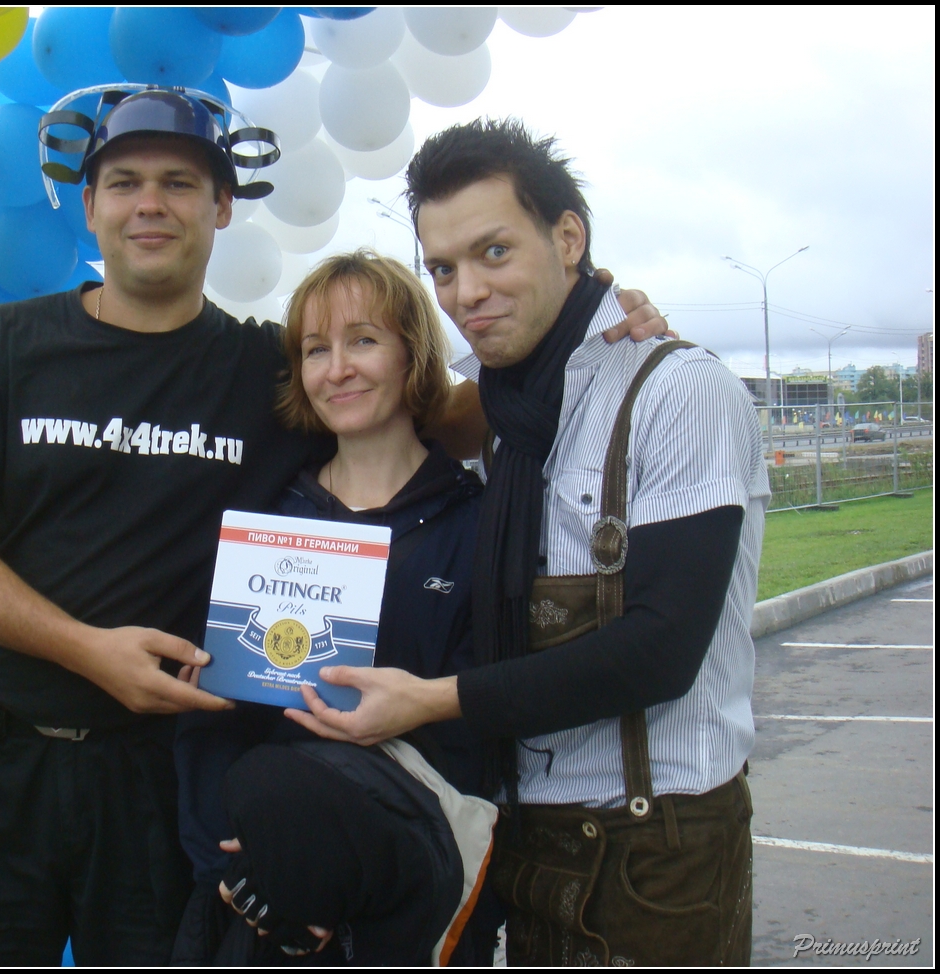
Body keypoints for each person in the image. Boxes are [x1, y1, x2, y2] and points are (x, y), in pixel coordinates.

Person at [0, 87, 668, 965]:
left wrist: (588, 322)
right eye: (125, 183)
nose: (151, 204)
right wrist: (85, 650)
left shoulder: (269, 370)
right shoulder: (4, 345)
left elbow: (430, 412)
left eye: (181, 184)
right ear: (90, 203)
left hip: (154, 783)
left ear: (223, 206)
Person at [288, 118, 768, 967]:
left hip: (650, 844)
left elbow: (661, 651)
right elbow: (370, 404)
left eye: (495, 252)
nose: (467, 291)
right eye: (443, 268)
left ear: (568, 239)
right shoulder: (497, 399)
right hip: (522, 832)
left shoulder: (677, 390)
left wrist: (432, 700)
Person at [173, 250, 496, 966]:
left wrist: (335, 871)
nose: (338, 369)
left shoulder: (476, 524)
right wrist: (237, 870)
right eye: (316, 350)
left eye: (364, 341)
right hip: (252, 900)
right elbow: (212, 728)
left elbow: (480, 730)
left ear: (413, 354)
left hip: (404, 897)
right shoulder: (266, 520)